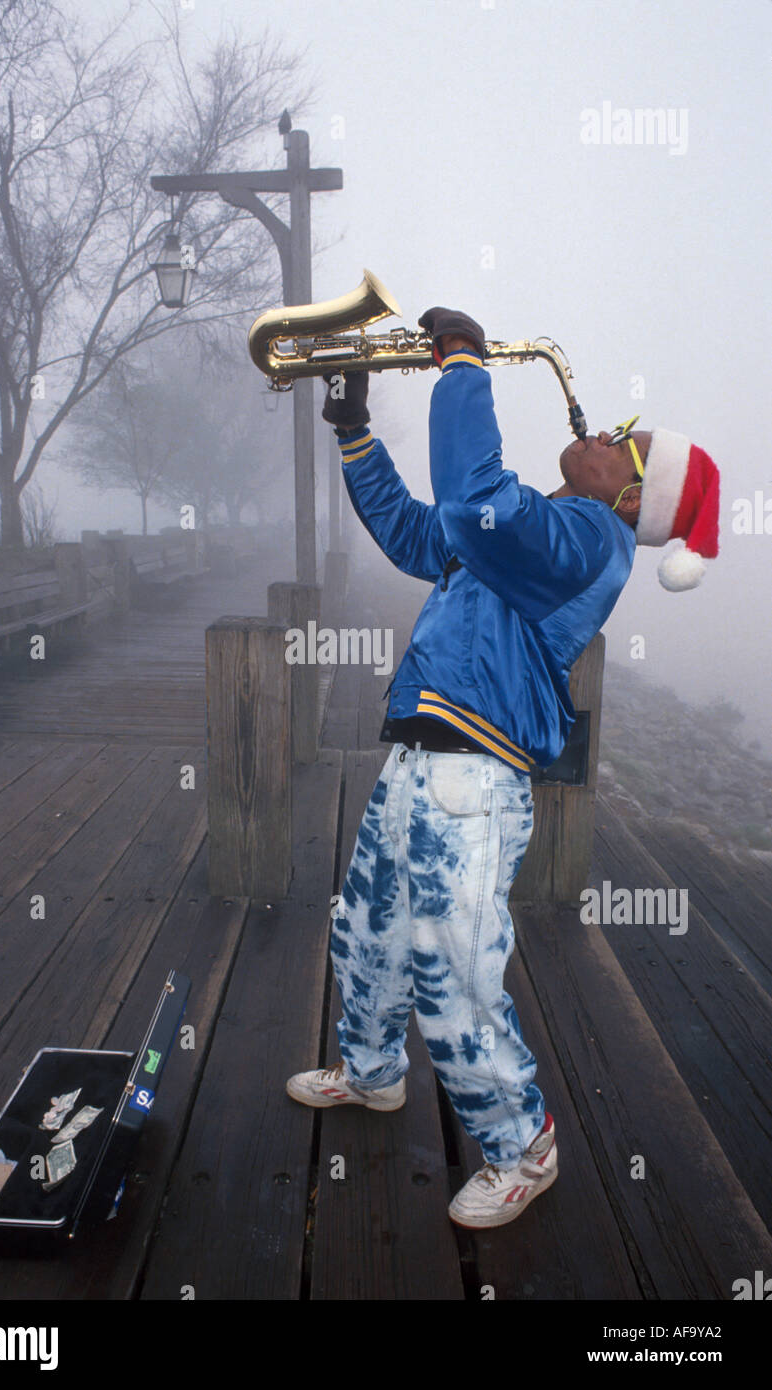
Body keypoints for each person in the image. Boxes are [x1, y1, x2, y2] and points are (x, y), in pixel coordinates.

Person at [286, 304, 720, 1228]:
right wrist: (356, 433)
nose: (600, 431)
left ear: (635, 500)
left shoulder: (587, 542)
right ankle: (369, 1076)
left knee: (457, 975)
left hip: (471, 787)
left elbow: (473, 494)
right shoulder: (537, 525)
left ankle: (524, 1145)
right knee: (365, 932)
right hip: (419, 763)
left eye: (623, 442)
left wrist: (464, 367)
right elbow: (419, 534)